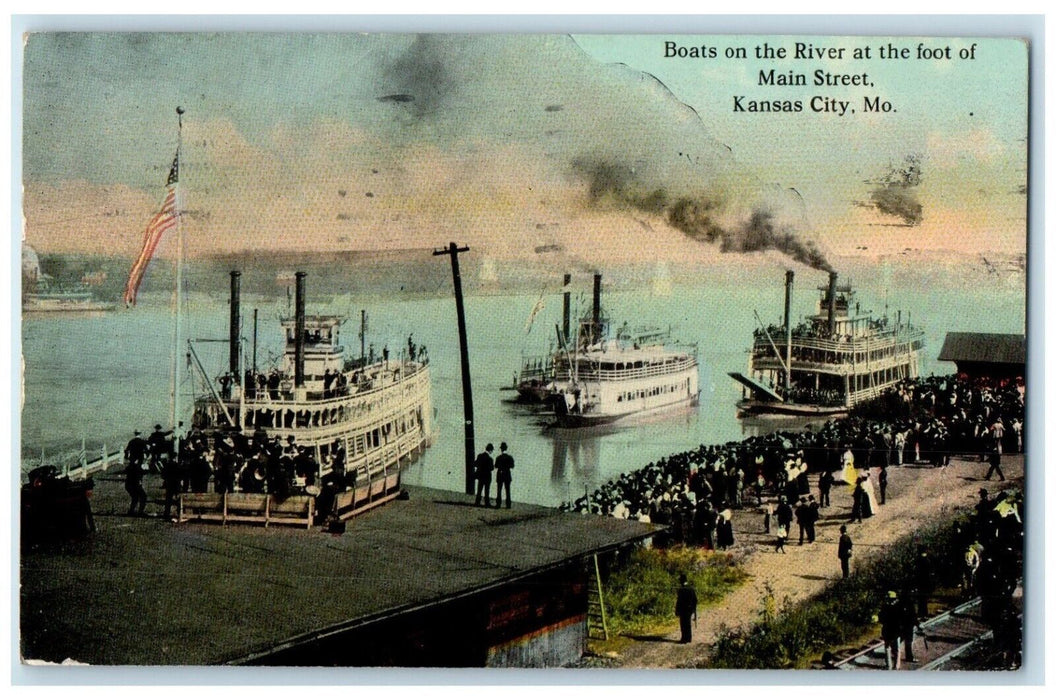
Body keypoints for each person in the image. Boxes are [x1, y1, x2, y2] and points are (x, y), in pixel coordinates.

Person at [124, 430, 149, 516]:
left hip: (129, 483)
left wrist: (128, 458)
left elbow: (126, 451)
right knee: (143, 496)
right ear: (140, 434)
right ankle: (140, 512)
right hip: (137, 476)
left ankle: (131, 511)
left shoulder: (131, 441)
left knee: (135, 497)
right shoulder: (142, 442)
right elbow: (147, 451)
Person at [878, 590, 903, 670]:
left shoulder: (884, 607)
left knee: (887, 647)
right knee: (897, 649)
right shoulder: (899, 606)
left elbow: (881, 619)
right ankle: (897, 666)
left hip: (887, 630)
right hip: (896, 631)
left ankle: (888, 665)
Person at [674, 574, 698, 643]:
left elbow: (679, 601)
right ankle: (689, 638)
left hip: (683, 609)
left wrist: (677, 609)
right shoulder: (691, 588)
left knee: (683, 624)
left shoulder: (681, 589)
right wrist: (693, 609)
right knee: (688, 623)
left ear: (682, 580)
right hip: (689, 609)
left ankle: (684, 638)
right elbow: (695, 600)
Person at [474, 443, 495, 507]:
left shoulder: (480, 456)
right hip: (487, 476)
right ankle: (487, 503)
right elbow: (491, 468)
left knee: (479, 489)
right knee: (487, 490)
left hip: (480, 475)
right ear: (490, 450)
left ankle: (477, 502)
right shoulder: (490, 459)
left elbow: (475, 464)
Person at [494, 442, 515, 508]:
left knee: (499, 490)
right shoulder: (510, 457)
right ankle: (508, 504)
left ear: (501, 449)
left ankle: (498, 504)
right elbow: (512, 466)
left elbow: (496, 466)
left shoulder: (498, 457)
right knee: (508, 490)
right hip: (507, 475)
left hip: (500, 474)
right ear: (506, 448)